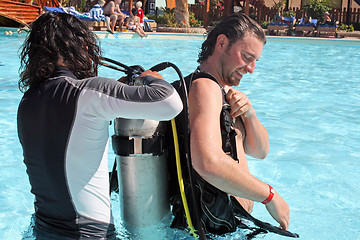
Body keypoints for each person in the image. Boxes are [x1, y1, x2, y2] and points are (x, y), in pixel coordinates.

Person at [17, 11, 182, 239]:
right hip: (89, 234)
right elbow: (169, 102)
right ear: (82, 46)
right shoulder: (88, 92)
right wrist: (149, 77)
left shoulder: (28, 101)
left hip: (43, 230)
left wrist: (116, 88)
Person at [173, 13, 290, 234]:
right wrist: (269, 196)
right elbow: (208, 162)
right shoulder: (205, 87)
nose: (251, 68)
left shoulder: (222, 92)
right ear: (222, 43)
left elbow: (260, 151)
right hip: (210, 229)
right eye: (247, 56)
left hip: (225, 225)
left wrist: (249, 115)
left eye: (255, 61)